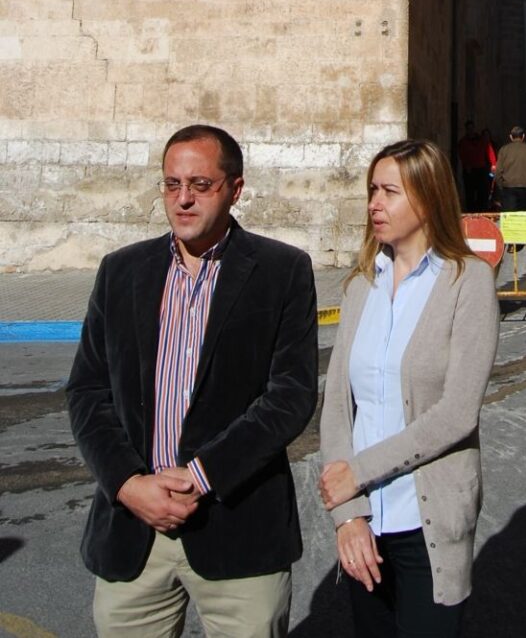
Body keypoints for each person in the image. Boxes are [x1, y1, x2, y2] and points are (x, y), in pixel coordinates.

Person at [66, 124, 318, 638]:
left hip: (237, 530)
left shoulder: (282, 271)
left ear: (235, 189)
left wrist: (202, 475)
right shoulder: (121, 272)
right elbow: (88, 391)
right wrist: (128, 484)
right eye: (171, 184)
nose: (183, 199)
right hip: (134, 531)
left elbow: (290, 395)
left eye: (200, 185)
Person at [318, 139, 499, 637]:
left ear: (428, 198)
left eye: (390, 192)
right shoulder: (361, 285)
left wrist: (357, 473)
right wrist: (348, 514)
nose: (375, 203)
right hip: (363, 525)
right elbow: (337, 403)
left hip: (426, 523)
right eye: (372, 190)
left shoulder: (468, 282)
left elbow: (457, 413)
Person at [495, 125, 526, 211]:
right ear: (523, 136)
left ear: (510, 137)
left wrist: (501, 186)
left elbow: (498, 171)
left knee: (510, 217)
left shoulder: (503, 150)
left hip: (508, 188)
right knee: (524, 217)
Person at [457, 120, 496, 213]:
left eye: (471, 128)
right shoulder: (463, 142)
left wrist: (493, 164)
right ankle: (471, 211)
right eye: (468, 129)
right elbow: (461, 155)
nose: (470, 130)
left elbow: (489, 151)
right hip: (469, 170)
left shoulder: (481, 140)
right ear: (466, 130)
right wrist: (466, 165)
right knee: (469, 192)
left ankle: (481, 210)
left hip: (481, 169)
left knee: (482, 192)